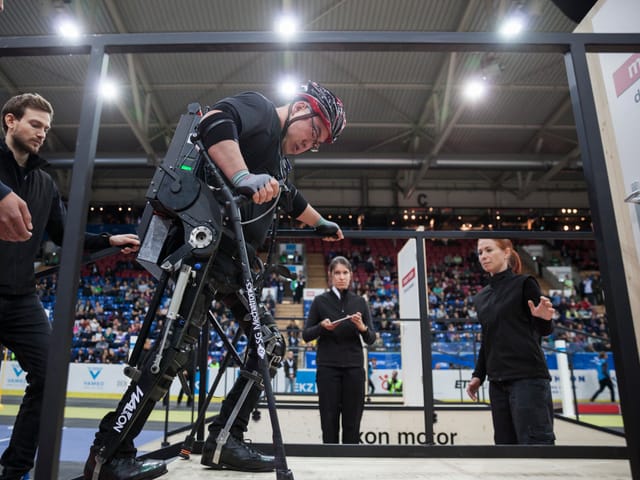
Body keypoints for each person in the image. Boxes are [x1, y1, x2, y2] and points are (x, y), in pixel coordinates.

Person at [85, 80, 346, 479]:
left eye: (319, 142)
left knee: (271, 345)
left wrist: (322, 223)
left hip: (235, 264)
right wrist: (242, 176)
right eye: (314, 132)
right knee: (173, 351)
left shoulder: (279, 159)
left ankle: (225, 440)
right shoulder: (259, 109)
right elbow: (214, 121)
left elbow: (289, 197)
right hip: (203, 250)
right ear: (299, 108)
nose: (311, 144)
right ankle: (109, 452)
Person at [0, 93, 139, 480]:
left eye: (46, 127)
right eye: (34, 124)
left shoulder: (44, 182)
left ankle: (15, 470)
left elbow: (67, 236)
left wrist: (107, 240)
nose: (42, 133)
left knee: (50, 375)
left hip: (21, 295)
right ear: (10, 121)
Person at [466, 238, 556, 445]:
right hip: (497, 383)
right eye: (480, 252)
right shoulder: (481, 297)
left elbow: (542, 331)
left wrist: (545, 319)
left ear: (506, 253)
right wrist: (478, 375)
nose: (483, 256)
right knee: (505, 450)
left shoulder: (525, 283)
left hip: (528, 378)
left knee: (536, 447)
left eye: (489, 250)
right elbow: (488, 339)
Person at [302, 256, 376, 444]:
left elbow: (371, 338)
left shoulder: (360, 302)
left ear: (351, 275)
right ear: (330, 275)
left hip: (354, 367)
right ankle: (329, 465)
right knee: (329, 420)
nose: (341, 277)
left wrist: (362, 327)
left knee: (353, 421)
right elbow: (306, 334)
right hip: (328, 367)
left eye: (345, 273)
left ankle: (351, 465)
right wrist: (321, 327)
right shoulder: (320, 301)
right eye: (337, 273)